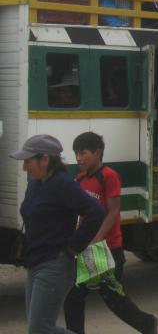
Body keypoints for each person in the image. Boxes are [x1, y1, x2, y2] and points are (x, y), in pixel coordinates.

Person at [64, 132, 158, 334]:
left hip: (108, 250)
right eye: (76, 153)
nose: (79, 158)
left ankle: (147, 323)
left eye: (83, 153)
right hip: (85, 250)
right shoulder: (79, 178)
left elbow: (113, 211)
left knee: (114, 298)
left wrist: (97, 239)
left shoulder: (109, 176)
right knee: (72, 297)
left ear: (98, 153)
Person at [10, 134, 104, 334]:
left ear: (44, 160)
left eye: (28, 161)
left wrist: (73, 246)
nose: (25, 167)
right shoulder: (35, 183)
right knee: (38, 329)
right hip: (34, 261)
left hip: (55, 264)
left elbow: (95, 212)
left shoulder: (63, 184)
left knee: (39, 329)